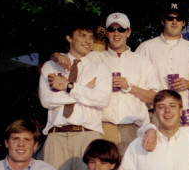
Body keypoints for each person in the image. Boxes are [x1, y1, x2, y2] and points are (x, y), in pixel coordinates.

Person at [53, 13, 160, 156]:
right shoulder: (94, 57)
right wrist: (56, 55)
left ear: (128, 32)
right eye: (111, 29)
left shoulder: (142, 61)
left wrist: (130, 87)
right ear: (106, 33)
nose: (116, 34)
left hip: (134, 128)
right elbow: (65, 58)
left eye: (121, 29)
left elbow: (155, 98)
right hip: (103, 128)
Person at [39, 19, 112, 170]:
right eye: (82, 35)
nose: (88, 41)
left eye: (91, 37)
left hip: (87, 136)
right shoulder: (51, 66)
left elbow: (102, 99)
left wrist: (68, 86)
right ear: (69, 38)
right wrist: (83, 91)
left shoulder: (100, 68)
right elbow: (46, 100)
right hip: (56, 136)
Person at [136, 3, 189, 110]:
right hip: (155, 112)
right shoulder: (145, 48)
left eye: (179, 18)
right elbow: (135, 82)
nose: (174, 22)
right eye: (170, 18)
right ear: (163, 21)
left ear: (183, 22)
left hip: (185, 113)